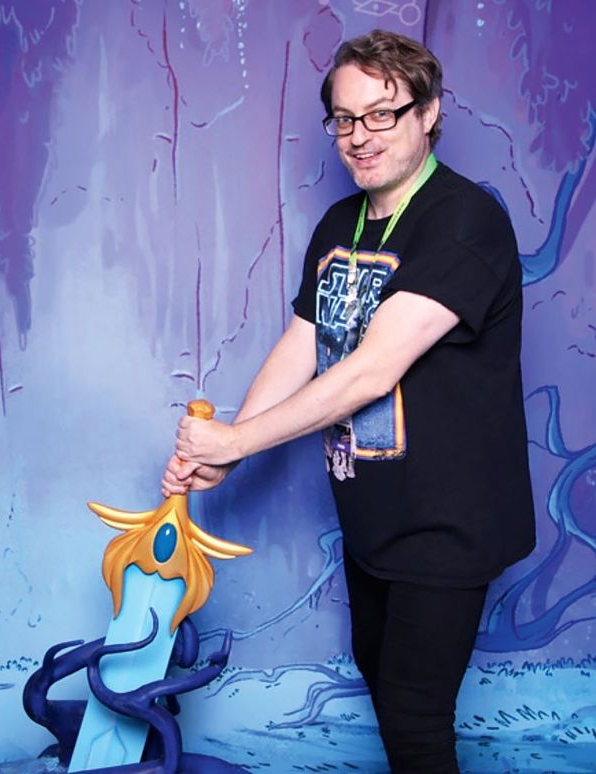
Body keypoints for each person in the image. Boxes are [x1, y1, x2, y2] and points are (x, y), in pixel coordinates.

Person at [162, 28, 535, 774]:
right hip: (372, 515)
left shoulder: (466, 219)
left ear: (429, 112)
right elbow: (302, 342)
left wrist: (238, 442)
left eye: (381, 114)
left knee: (415, 717)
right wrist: (228, 449)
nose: (359, 136)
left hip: (449, 520)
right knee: (384, 686)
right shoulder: (342, 225)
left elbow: (372, 370)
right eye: (344, 118)